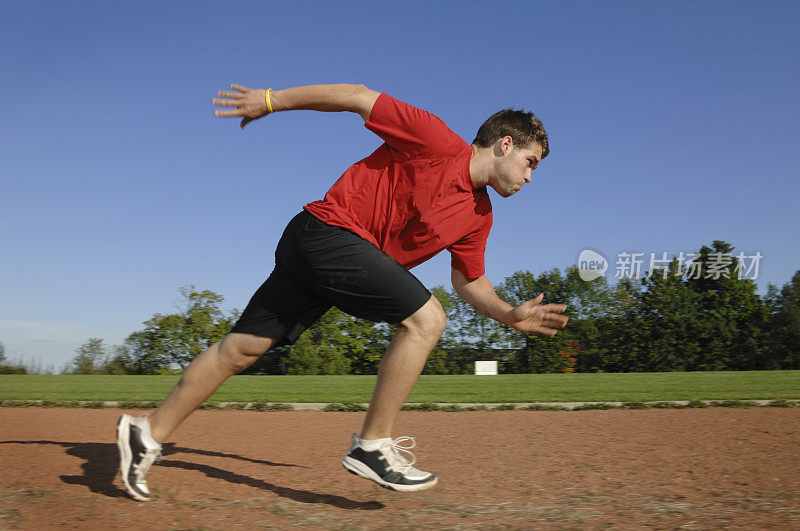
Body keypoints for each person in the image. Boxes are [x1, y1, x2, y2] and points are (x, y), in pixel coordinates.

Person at [116, 83, 568, 501]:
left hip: (328, 258)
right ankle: (372, 445)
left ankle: (147, 433)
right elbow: (356, 96)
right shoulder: (435, 140)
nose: (530, 177)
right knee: (427, 319)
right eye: (530, 163)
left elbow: (468, 280)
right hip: (325, 232)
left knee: (240, 349)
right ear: (505, 144)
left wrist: (508, 314)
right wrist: (271, 100)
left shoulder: (479, 215)